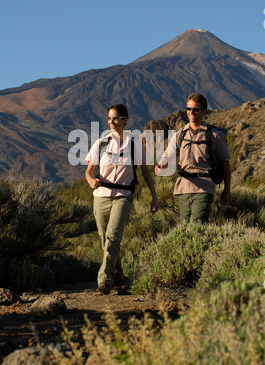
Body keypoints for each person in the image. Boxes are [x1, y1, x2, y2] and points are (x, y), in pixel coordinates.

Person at [85, 104, 159, 294]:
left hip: (123, 197)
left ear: (126, 120)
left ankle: (104, 281)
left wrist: (154, 195)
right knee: (104, 239)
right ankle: (118, 276)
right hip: (101, 196)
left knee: (112, 237)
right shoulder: (101, 143)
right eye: (110, 118)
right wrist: (90, 180)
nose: (112, 122)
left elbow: (145, 172)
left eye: (116, 118)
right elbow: (89, 170)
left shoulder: (134, 145)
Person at [155, 93, 231, 224]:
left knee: (197, 225)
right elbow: (167, 158)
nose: (191, 112)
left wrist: (227, 190)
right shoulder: (180, 135)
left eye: (195, 109)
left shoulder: (214, 135)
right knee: (184, 228)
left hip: (204, 187)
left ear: (204, 111)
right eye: (189, 109)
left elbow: (225, 163)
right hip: (183, 188)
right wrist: (160, 166)